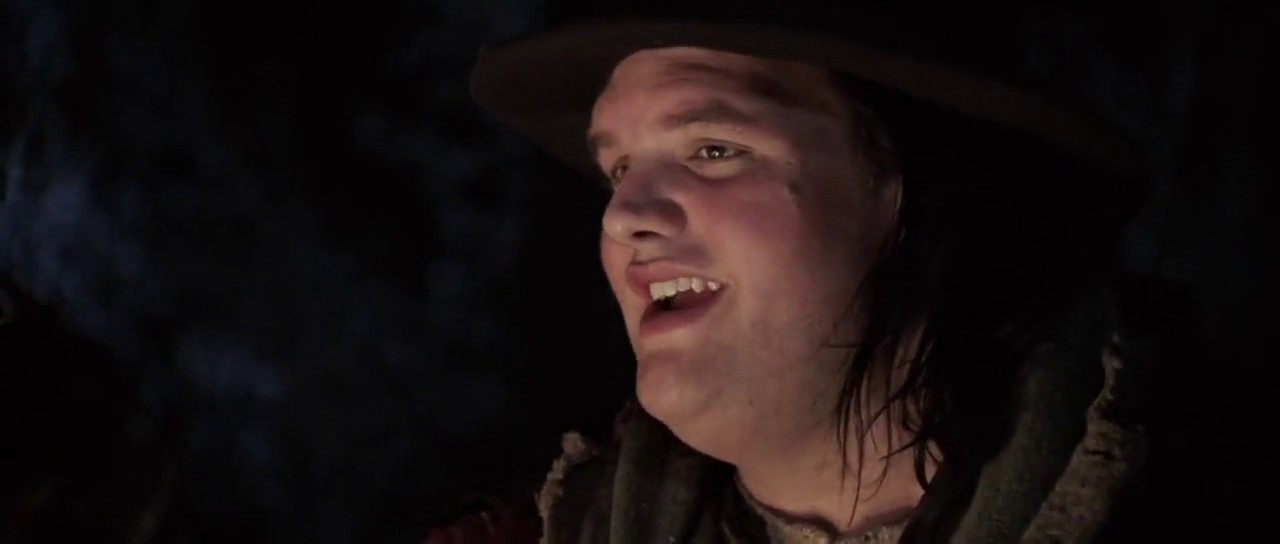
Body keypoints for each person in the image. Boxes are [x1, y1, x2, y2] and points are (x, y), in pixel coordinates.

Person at [431, 3, 1205, 542]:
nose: (623, 215)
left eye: (713, 150)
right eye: (620, 169)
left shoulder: (1220, 485)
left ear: (909, 192)